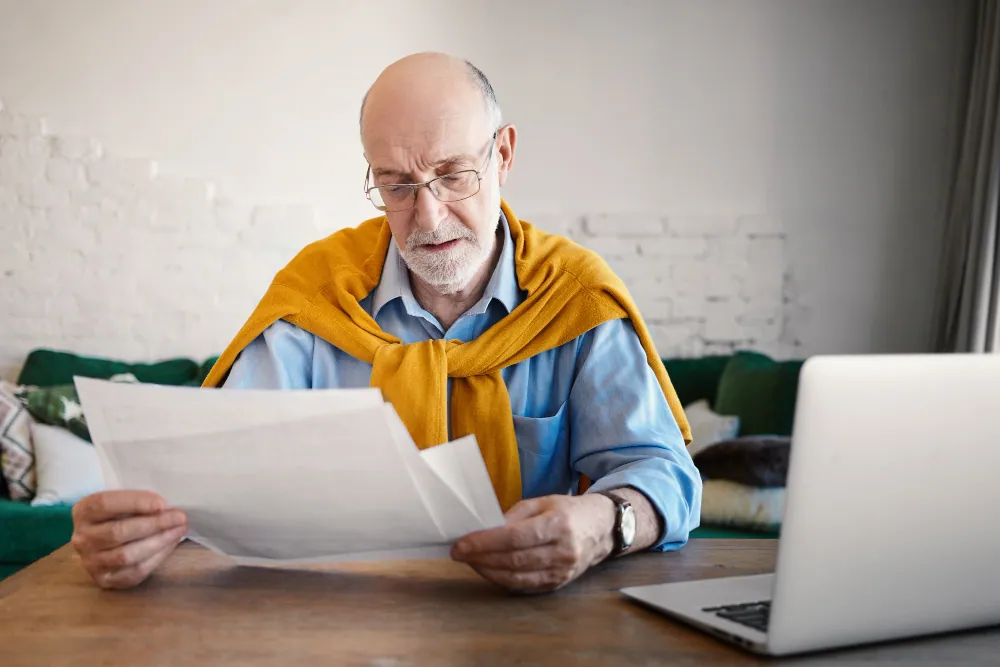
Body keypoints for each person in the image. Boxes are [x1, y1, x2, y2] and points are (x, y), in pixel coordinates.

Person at [70, 53, 702, 593]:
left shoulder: (574, 298)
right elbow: (214, 473)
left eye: (452, 175)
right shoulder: (316, 295)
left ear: (503, 155)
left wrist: (604, 525)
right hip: (334, 617)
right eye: (395, 184)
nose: (427, 218)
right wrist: (135, 529)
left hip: (535, 621)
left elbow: (662, 472)